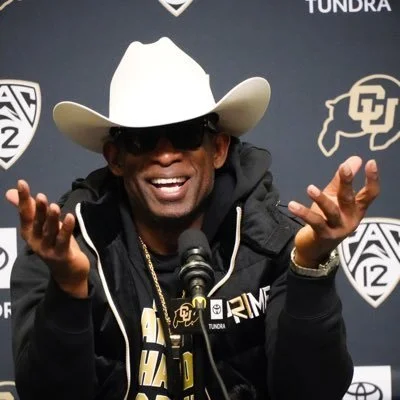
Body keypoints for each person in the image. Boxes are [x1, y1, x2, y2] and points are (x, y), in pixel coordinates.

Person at [5, 37, 379, 400]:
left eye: (185, 134)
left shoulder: (278, 245)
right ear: (116, 159)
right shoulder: (66, 251)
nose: (166, 155)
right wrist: (69, 288)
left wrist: (310, 270)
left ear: (218, 149)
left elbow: (312, 391)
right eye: (143, 139)